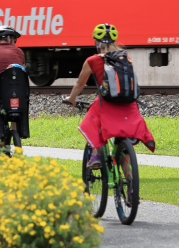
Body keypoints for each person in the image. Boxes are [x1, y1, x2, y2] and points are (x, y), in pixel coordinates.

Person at [63, 23, 155, 168]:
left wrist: (71, 99)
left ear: (96, 43)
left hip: (105, 105)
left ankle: (96, 155)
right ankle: (131, 185)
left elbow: (79, 85)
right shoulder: (126, 58)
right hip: (129, 106)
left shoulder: (92, 60)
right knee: (123, 150)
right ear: (114, 42)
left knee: (93, 121)